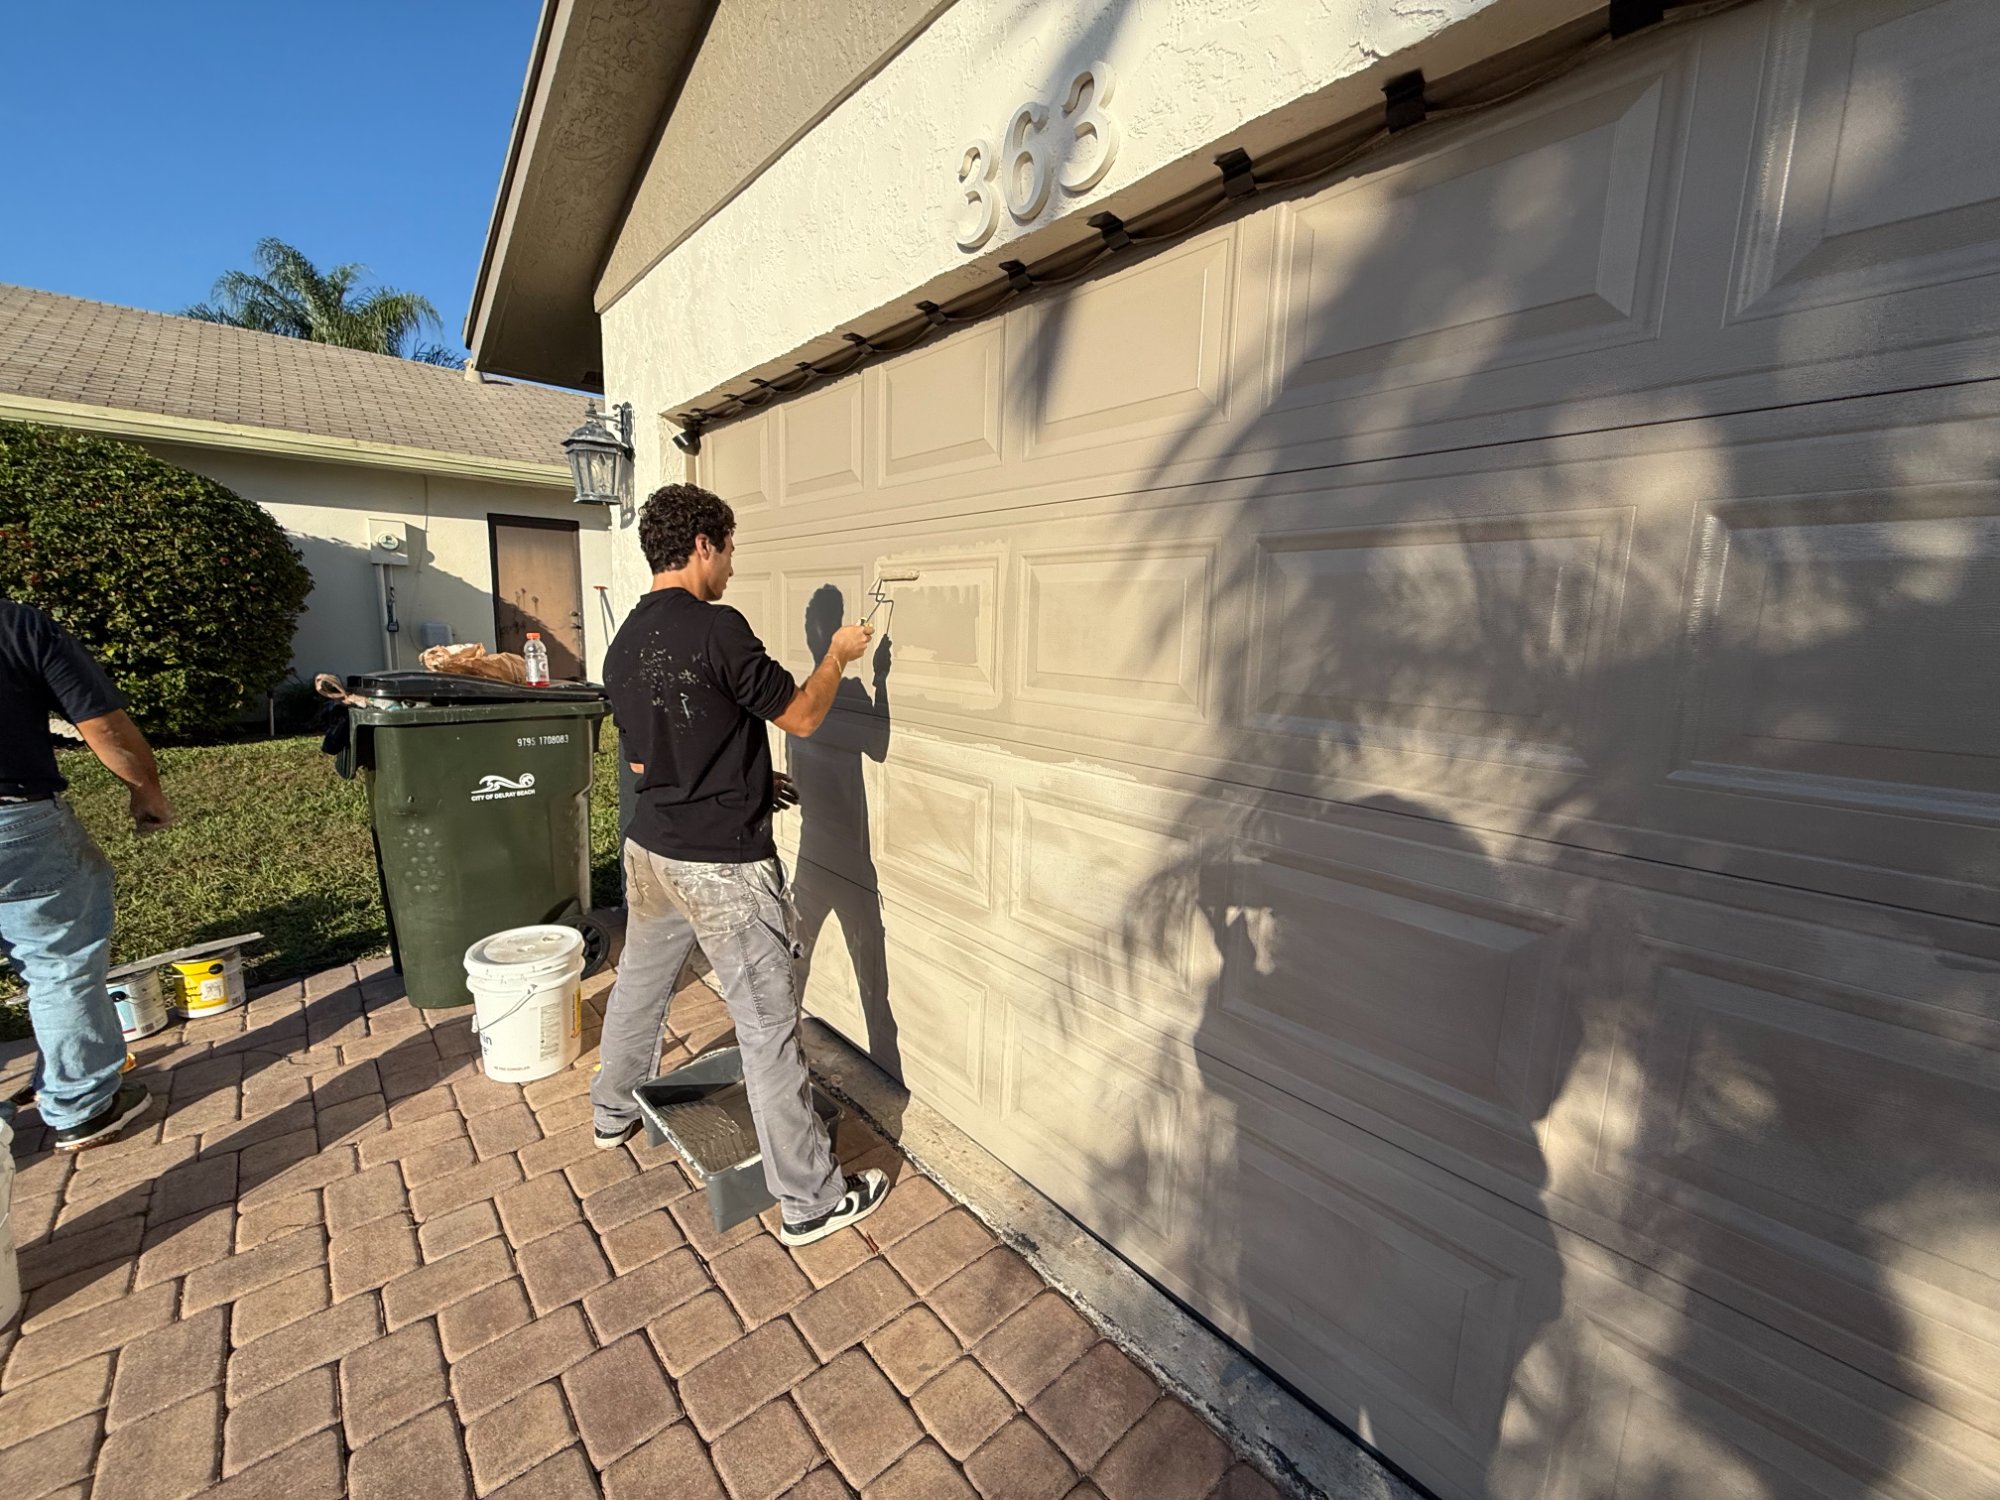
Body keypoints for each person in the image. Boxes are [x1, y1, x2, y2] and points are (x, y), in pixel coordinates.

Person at [594, 483, 888, 1247]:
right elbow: (802, 714)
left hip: (652, 850)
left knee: (638, 987)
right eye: (727, 550)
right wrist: (839, 656)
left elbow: (644, 754)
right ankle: (810, 1202)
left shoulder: (623, 644)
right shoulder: (718, 629)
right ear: (701, 545)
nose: (730, 566)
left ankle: (612, 1111)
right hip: (721, 869)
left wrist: (754, 779)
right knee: (766, 1030)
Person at [1, 595, 171, 1150]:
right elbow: (101, 723)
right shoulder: (16, 624)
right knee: (57, 956)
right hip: (14, 817)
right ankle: (81, 1106)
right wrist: (145, 790)